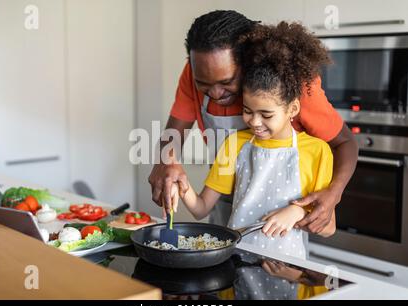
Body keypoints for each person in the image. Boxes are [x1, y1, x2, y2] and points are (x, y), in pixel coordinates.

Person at [148, 10, 358, 233]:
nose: (216, 93)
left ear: (249, 63)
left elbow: (345, 142)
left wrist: (333, 193)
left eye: (226, 81)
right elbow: (173, 135)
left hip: (285, 210)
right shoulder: (196, 71)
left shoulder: (288, 83)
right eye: (204, 84)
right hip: (224, 194)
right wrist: (167, 162)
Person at [171, 21, 336, 262]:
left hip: (288, 270)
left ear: (293, 109)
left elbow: (329, 228)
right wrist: (183, 186)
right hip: (235, 261)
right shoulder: (234, 144)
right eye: (247, 111)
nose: (255, 122)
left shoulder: (317, 152)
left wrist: (297, 211)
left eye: (266, 114)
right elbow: (201, 209)